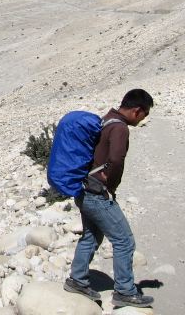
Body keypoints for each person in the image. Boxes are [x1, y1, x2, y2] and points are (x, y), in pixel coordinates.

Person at [63, 88, 155, 308]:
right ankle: (125, 291)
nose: (143, 119)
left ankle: (77, 280)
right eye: (145, 114)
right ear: (137, 110)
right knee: (124, 241)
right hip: (98, 194)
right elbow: (116, 158)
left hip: (83, 189)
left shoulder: (107, 120)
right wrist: (110, 181)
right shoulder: (120, 128)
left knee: (91, 237)